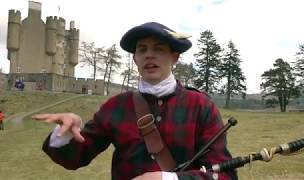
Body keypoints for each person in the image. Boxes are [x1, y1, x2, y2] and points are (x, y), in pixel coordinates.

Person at [32, 22, 237, 180]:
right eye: (142, 49)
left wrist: (170, 178)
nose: (149, 55)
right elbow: (76, 158)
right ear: (135, 59)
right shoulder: (115, 107)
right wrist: (65, 134)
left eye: (158, 49)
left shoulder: (200, 105)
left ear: (175, 57)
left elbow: (224, 174)